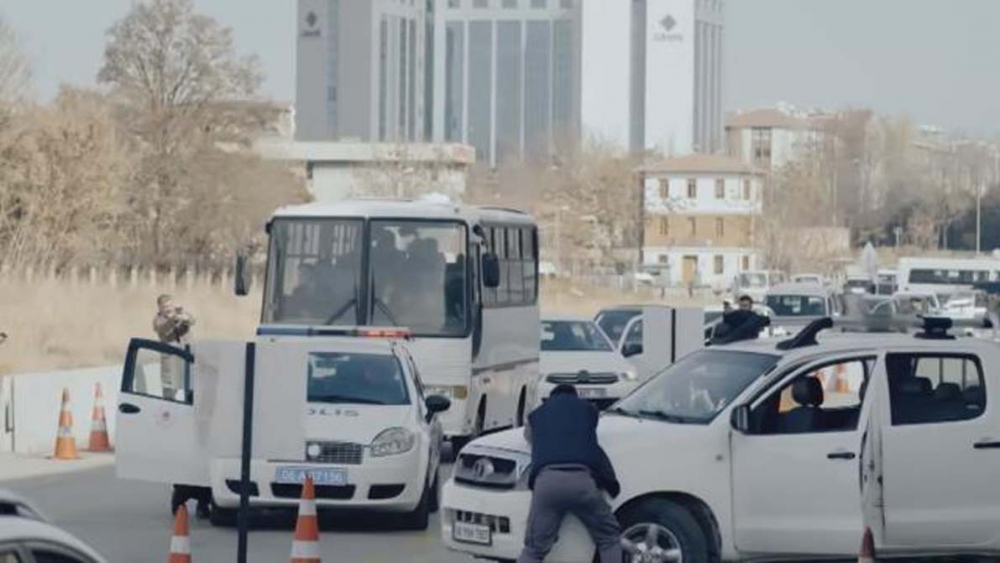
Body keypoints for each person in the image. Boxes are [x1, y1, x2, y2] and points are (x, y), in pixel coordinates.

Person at [519, 384, 621, 563]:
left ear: (550, 398)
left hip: (546, 485)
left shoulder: (536, 415)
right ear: (575, 396)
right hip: (581, 483)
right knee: (609, 537)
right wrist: (612, 487)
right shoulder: (588, 410)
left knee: (534, 549)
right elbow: (598, 454)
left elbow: (529, 438)